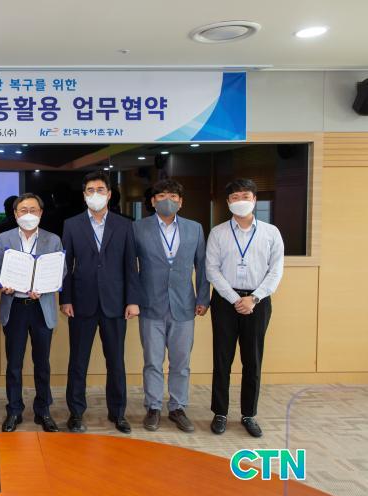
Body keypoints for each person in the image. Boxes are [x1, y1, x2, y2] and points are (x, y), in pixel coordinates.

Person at [60, 171, 141, 434]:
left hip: (115, 303)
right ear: (84, 195)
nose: (95, 194)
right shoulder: (71, 225)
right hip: (81, 302)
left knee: (116, 362)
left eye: (100, 190)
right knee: (78, 362)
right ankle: (76, 413)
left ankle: (118, 413)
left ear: (109, 194)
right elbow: (65, 265)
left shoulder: (125, 224)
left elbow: (130, 266)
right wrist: (66, 299)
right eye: (90, 190)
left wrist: (132, 300)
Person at [206, 178, 284, 438]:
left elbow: (276, 271)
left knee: (253, 360)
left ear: (255, 199)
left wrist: (254, 298)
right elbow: (211, 269)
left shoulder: (271, 233)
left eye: (245, 196)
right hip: (225, 302)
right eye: (235, 197)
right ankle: (220, 412)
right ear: (228, 202)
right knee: (222, 358)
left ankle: (249, 414)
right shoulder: (218, 233)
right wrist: (234, 299)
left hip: (257, 303)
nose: (241, 201)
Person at [133, 179, 210, 433]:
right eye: (162, 196)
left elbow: (202, 265)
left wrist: (202, 298)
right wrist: (132, 299)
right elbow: (129, 267)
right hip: (150, 304)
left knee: (181, 362)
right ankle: (153, 407)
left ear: (181, 202)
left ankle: (177, 407)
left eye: (174, 196)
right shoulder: (138, 228)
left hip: (184, 304)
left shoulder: (194, 228)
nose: (168, 200)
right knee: (152, 361)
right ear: (153, 201)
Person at [0, 193, 62, 433]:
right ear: (15, 214)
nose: (28, 214)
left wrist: (45, 286)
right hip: (15, 307)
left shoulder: (53, 239)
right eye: (23, 210)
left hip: (41, 308)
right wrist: (3, 283)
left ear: (41, 213)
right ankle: (14, 410)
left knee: (42, 363)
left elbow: (61, 271)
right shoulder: (4, 238)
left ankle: (43, 410)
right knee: (14, 363)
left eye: (33, 210)